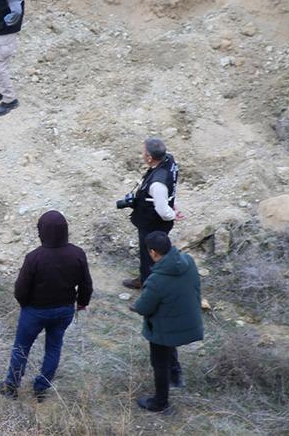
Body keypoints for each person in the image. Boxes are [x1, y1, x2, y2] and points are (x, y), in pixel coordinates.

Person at [0, 210, 92, 401]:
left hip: (35, 312)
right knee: (53, 348)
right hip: (64, 311)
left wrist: (26, 305)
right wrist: (82, 303)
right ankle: (41, 389)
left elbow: (20, 288)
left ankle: (11, 386)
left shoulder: (34, 257)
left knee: (21, 347)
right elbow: (86, 284)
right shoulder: (77, 254)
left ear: (41, 232)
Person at [130, 231, 203, 413]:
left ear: (153, 253)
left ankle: (160, 403)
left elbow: (143, 307)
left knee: (159, 362)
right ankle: (176, 376)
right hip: (188, 319)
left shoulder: (157, 280)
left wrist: (134, 306)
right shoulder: (188, 260)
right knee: (170, 345)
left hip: (166, 327)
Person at [121, 138, 179, 290]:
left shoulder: (157, 184)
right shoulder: (169, 161)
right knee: (153, 255)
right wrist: (173, 205)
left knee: (150, 256)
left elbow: (162, 210)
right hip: (156, 221)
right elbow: (171, 187)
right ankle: (146, 278)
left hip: (152, 224)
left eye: (143, 152)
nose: (142, 155)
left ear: (149, 158)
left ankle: (149, 289)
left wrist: (172, 213)